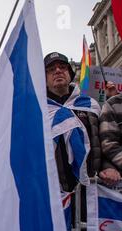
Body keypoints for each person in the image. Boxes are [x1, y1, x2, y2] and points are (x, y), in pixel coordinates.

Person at [43, 52, 105, 191]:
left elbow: (103, 140)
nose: (58, 71)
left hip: (90, 186)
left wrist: (106, 168)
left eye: (62, 67)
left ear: (70, 74)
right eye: (51, 69)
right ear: (45, 79)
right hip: (52, 189)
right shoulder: (38, 110)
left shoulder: (89, 104)